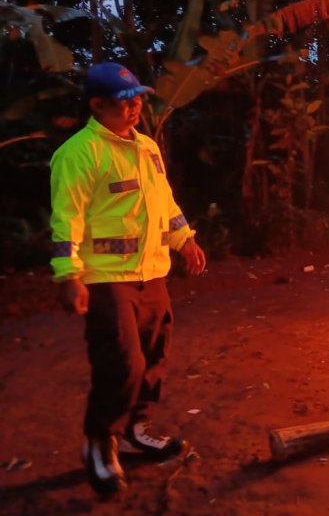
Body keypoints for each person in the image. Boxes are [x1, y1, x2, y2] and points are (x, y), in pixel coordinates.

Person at [49, 62, 207, 495]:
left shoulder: (147, 148)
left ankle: (138, 427)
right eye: (123, 100)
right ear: (97, 105)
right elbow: (66, 220)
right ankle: (100, 442)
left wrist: (185, 240)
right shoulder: (78, 154)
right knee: (122, 363)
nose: (134, 105)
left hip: (152, 272)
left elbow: (164, 202)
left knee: (154, 354)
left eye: (137, 96)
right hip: (106, 279)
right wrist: (68, 276)